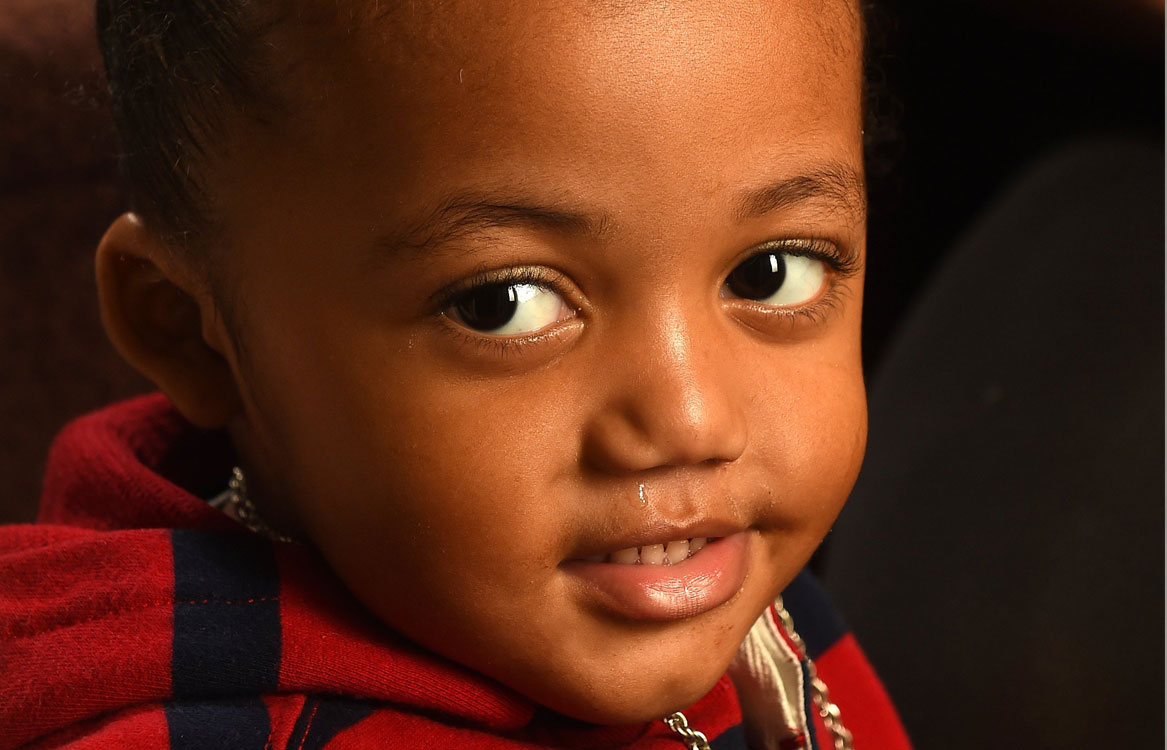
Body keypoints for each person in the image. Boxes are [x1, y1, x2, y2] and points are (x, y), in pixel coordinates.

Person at [0, 1, 911, 748]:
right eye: (503, 303)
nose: (690, 420)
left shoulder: (693, 576)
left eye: (772, 272)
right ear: (193, 335)